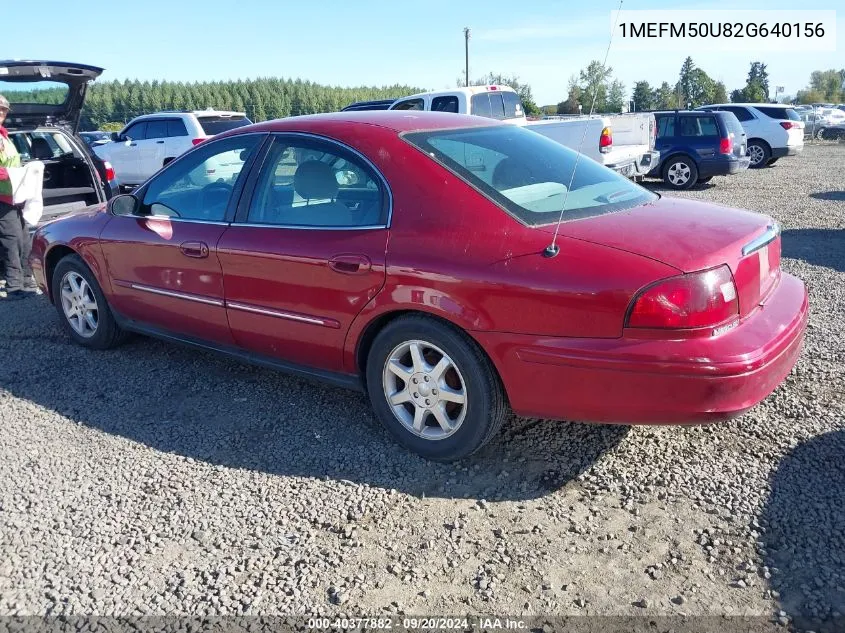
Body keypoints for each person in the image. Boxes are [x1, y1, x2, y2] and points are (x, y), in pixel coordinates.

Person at [0, 93, 37, 300]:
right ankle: (14, 287)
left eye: (4, 110)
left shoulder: (4, 135)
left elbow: (11, 163)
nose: (1, 113)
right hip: (2, 198)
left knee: (24, 239)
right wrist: (12, 175)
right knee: (11, 241)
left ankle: (26, 280)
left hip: (15, 196)